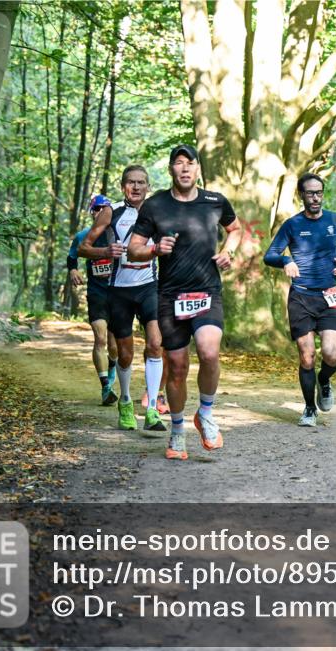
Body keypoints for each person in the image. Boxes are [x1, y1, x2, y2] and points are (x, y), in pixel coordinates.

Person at [127, 145, 242, 460]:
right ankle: (177, 430)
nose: (185, 168)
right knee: (176, 367)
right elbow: (133, 249)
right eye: (178, 163)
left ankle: (205, 412)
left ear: (197, 169)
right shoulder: (154, 206)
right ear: (171, 170)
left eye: (190, 163)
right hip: (170, 296)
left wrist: (229, 250)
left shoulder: (215, 201)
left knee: (208, 351)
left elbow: (234, 229)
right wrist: (153, 249)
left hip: (207, 292)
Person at [263, 173, 336, 427]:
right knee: (307, 357)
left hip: (329, 295)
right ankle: (308, 409)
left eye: (319, 192)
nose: (315, 198)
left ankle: (324, 381)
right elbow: (269, 254)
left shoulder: (335, 219)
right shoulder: (292, 225)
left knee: (332, 355)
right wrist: (286, 260)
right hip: (301, 296)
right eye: (310, 193)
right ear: (301, 195)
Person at [81, 166, 168, 433]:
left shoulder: (158, 210)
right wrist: (105, 250)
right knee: (125, 354)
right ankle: (126, 402)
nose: (136, 187)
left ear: (148, 186)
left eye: (141, 182)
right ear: (123, 186)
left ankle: (152, 408)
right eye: (131, 182)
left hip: (149, 286)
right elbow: (84, 248)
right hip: (119, 290)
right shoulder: (111, 211)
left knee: (155, 344)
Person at [67, 195, 119, 406]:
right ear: (92, 212)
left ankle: (112, 373)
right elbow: (72, 256)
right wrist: (73, 270)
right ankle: (105, 386)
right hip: (97, 293)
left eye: (104, 209)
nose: (100, 212)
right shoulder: (83, 235)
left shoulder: (118, 234)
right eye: (96, 209)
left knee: (115, 347)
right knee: (100, 339)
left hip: (118, 293)